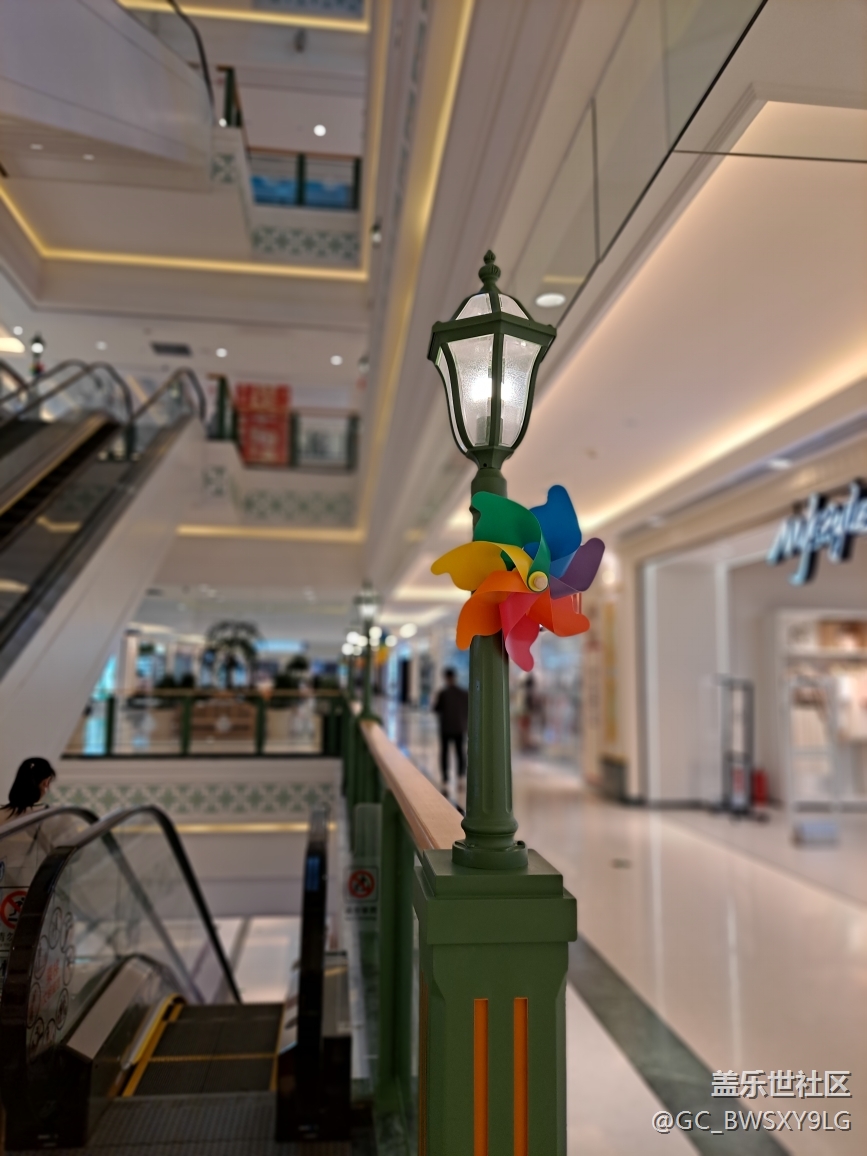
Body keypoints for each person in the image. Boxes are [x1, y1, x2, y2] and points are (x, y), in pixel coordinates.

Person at [433, 669, 468, 790]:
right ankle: (461, 777)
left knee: (445, 753)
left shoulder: (443, 693)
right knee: (460, 753)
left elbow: (436, 709)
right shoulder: (463, 693)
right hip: (459, 727)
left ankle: (445, 779)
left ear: (446, 678)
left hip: (446, 728)